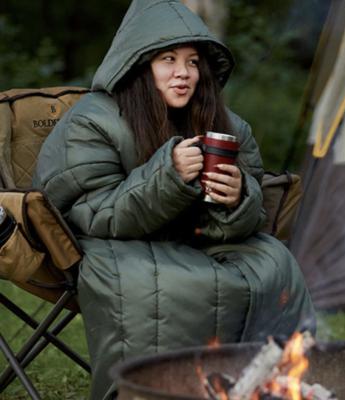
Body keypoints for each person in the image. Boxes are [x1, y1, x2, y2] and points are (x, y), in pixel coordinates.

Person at [33, 0, 316, 399]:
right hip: (114, 243)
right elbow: (93, 212)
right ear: (139, 64)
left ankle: (270, 385)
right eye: (167, 59)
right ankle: (155, 390)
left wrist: (236, 198)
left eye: (193, 61)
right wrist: (169, 177)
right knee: (164, 283)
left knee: (273, 260)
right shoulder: (92, 121)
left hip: (197, 238)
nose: (183, 73)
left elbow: (250, 208)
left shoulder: (226, 123)